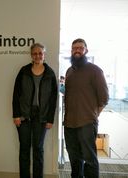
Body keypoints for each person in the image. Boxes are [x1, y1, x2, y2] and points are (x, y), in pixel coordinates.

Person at [63, 38, 109, 178]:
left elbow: (104, 99)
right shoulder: (69, 71)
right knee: (74, 159)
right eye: (74, 48)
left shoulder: (95, 71)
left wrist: (93, 116)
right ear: (71, 51)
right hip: (69, 124)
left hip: (87, 123)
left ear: (86, 50)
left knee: (90, 160)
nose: (77, 50)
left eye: (80, 48)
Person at [12, 43, 58, 178]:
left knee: (38, 149)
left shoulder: (49, 73)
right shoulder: (24, 71)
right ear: (31, 55)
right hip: (24, 115)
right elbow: (16, 94)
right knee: (24, 149)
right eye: (35, 53)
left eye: (40, 53)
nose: (38, 56)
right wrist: (16, 115)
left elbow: (53, 99)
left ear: (44, 54)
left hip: (41, 116)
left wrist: (50, 119)